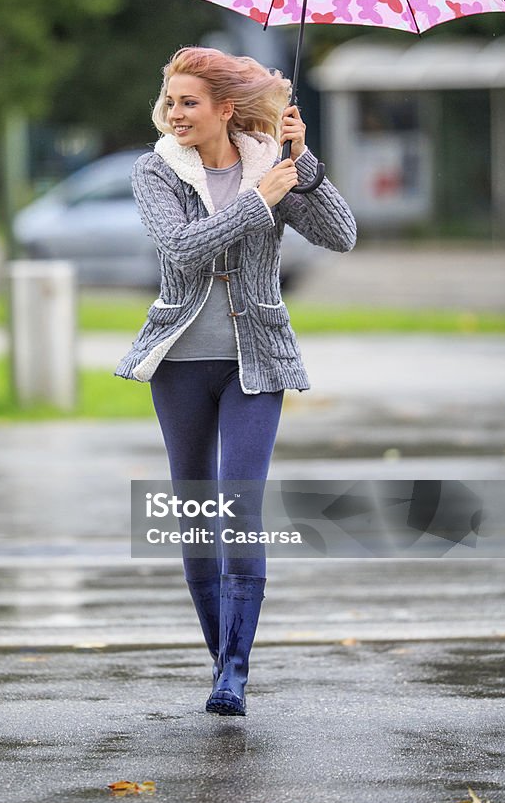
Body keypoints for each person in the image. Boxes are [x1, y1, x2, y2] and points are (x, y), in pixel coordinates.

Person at [116, 46, 356, 716]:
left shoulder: (274, 165)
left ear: (225, 108)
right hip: (180, 363)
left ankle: (234, 677)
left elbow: (341, 236)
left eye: (188, 102)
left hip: (257, 362)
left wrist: (300, 163)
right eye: (169, 101)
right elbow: (182, 249)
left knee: (239, 510)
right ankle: (219, 657)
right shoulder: (154, 171)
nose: (174, 113)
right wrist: (259, 201)